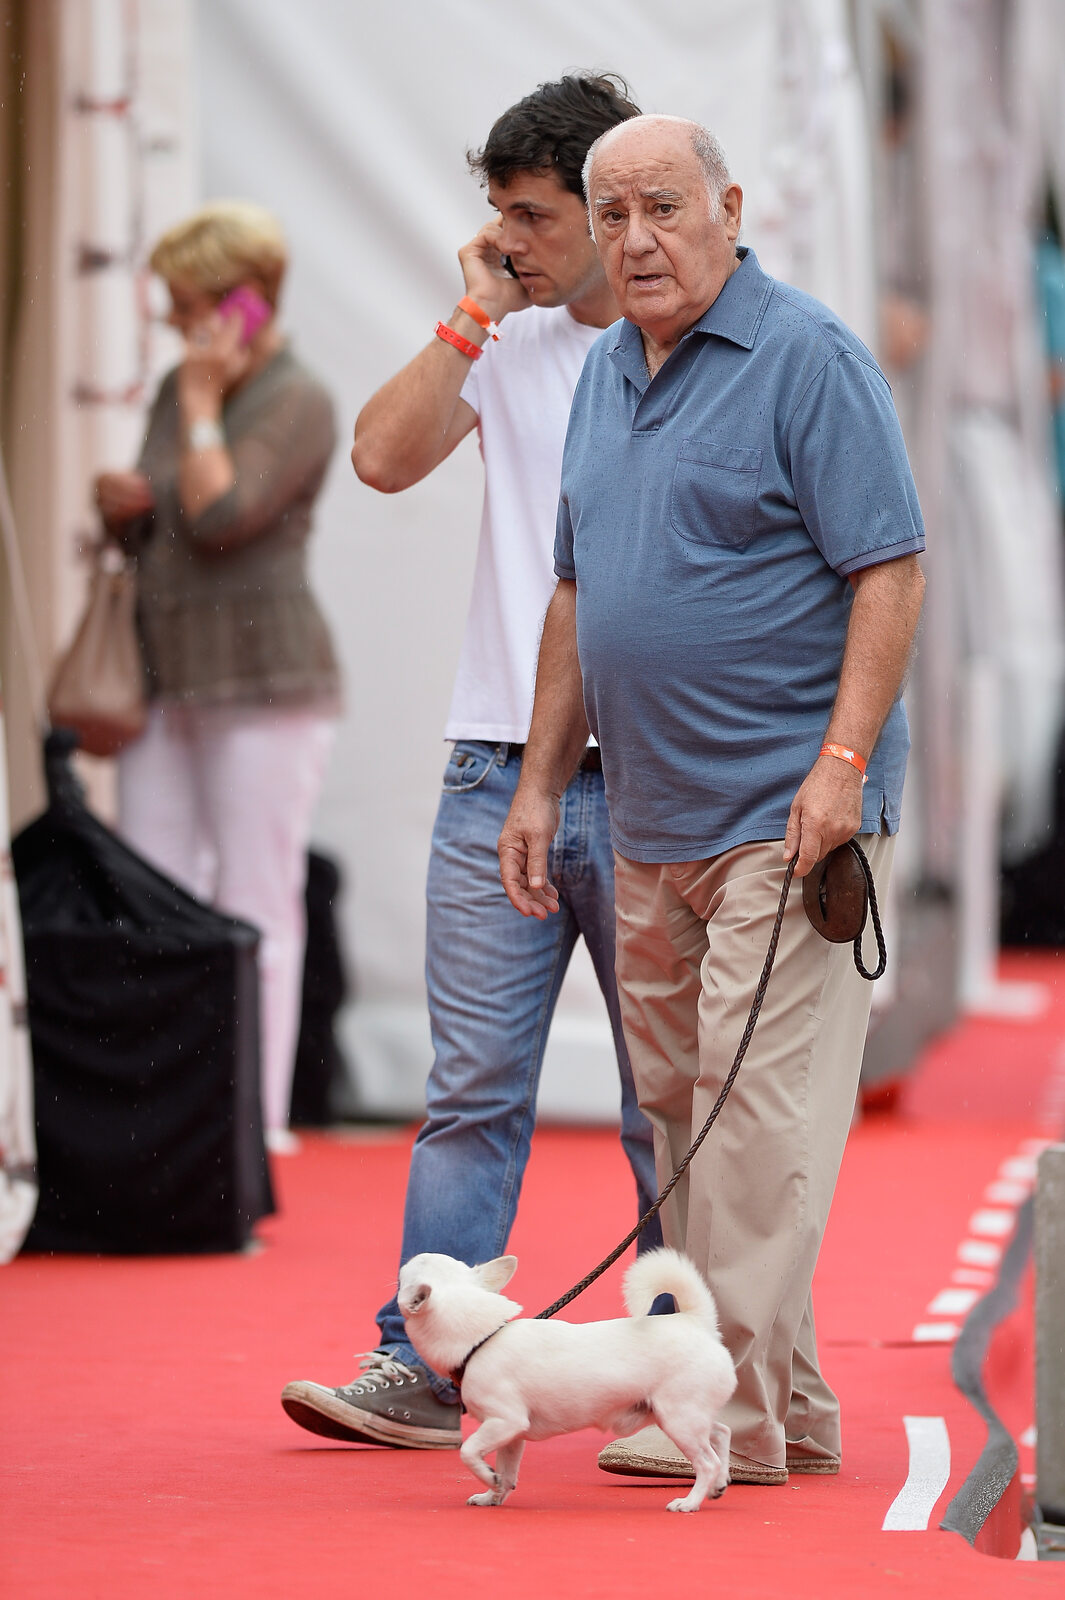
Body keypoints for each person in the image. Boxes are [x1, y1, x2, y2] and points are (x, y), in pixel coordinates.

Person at [499, 115, 926, 1485]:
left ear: (729, 208)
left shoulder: (807, 359)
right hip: (646, 818)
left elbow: (891, 571)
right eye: (610, 213)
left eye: (662, 208)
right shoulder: (605, 373)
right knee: (683, 1119)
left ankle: (723, 1417)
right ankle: (784, 1405)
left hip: (785, 817)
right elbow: (578, 591)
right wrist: (539, 776)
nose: (634, 240)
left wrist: (841, 767)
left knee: (755, 1126)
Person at [280, 74, 661, 1451]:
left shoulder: (691, 343)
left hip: (650, 774)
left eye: (530, 219)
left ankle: (671, 1376)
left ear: (605, 211)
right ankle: (422, 1364)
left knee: (658, 1098)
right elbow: (380, 459)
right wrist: (476, 310)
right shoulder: (503, 330)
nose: (508, 241)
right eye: (495, 215)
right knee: (470, 1089)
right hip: (493, 764)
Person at [95, 200, 341, 1154]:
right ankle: (168, 1102)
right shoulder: (173, 385)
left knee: (254, 893)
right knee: (155, 881)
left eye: (187, 300)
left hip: (264, 674)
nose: (170, 319)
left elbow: (223, 512)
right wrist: (122, 504)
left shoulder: (295, 394)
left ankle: (251, 1116)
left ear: (241, 303)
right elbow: (165, 508)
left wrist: (201, 406)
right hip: (166, 671)